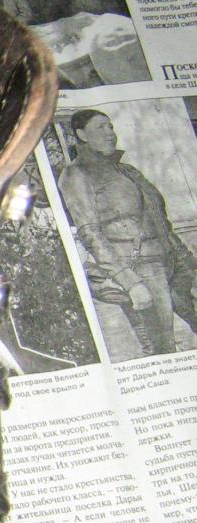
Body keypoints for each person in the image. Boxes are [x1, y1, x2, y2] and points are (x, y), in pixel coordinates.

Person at [58, 108, 197, 357]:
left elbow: (159, 220)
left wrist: (186, 260)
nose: (110, 132)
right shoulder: (76, 174)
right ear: (81, 134)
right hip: (139, 268)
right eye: (100, 127)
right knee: (162, 346)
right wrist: (131, 282)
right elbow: (90, 233)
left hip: (171, 261)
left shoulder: (127, 171)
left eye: (110, 126)